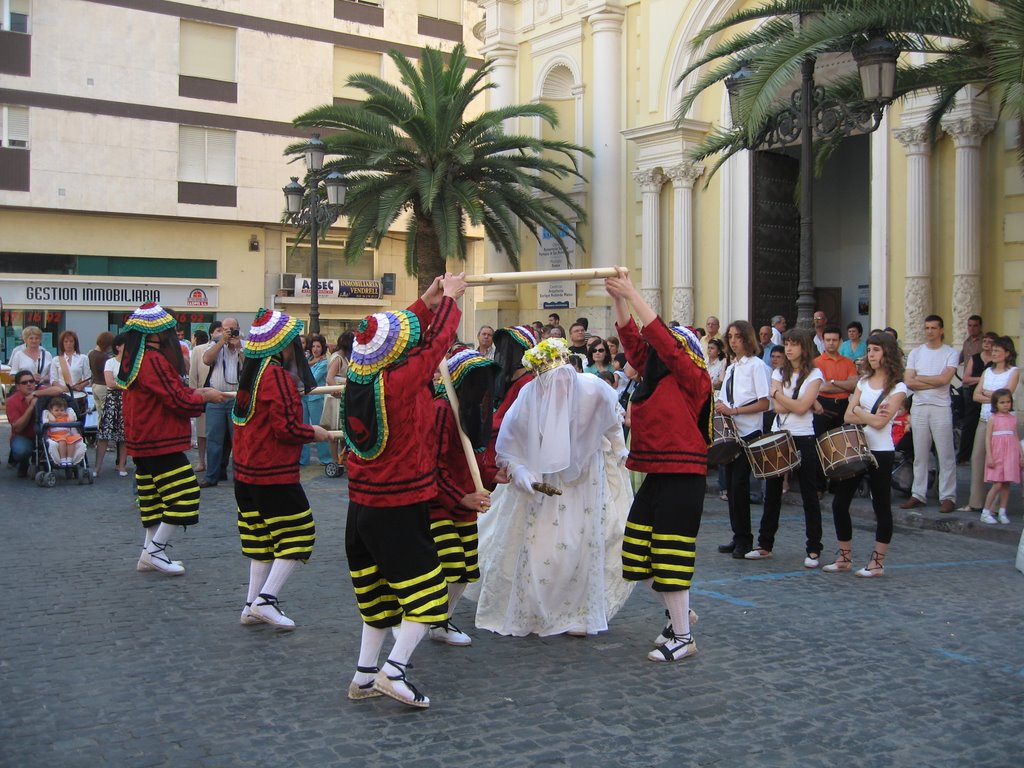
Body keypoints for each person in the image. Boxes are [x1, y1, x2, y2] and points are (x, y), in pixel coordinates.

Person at [342, 273, 465, 710]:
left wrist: (427, 301)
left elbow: (401, 340)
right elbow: (433, 348)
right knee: (429, 594)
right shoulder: (397, 383)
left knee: (376, 600)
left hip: (361, 510)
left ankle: (363, 674)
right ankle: (394, 672)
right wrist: (449, 301)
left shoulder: (361, 376)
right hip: (398, 506)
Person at [471, 337, 635, 639]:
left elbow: (613, 425)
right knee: (543, 545)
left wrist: (621, 453)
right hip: (542, 481)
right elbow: (509, 445)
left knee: (579, 542)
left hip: (586, 478)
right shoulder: (529, 398)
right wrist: (520, 473)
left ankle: (577, 611)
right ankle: (539, 608)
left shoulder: (594, 390)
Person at [605, 272, 712, 662]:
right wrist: (617, 298)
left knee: (671, 557)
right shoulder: (655, 369)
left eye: (663, 349)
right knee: (636, 552)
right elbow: (634, 340)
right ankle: (677, 613)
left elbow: (661, 340)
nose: (652, 353)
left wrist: (633, 292)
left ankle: (683, 637)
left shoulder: (692, 378)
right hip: (657, 474)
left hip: (684, 475)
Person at [232, 309, 330, 629]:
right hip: (272, 472)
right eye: (293, 342)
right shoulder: (276, 377)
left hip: (246, 473)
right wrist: (313, 433)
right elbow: (286, 428)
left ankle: (251, 604)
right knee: (298, 535)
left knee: (261, 541)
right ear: (281, 345)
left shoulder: (253, 372)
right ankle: (266, 600)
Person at [118, 302, 228, 576]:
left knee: (153, 499)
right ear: (154, 333)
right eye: (168, 328)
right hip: (159, 438)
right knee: (185, 495)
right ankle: (155, 550)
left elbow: (173, 390)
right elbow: (177, 398)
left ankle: (149, 553)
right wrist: (203, 398)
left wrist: (200, 394)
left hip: (144, 439)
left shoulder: (137, 358)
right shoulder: (152, 361)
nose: (173, 332)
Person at [427, 347, 500, 647]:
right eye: (475, 381)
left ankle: (441, 621)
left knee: (467, 570)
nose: (481, 387)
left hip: (464, 503)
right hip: (438, 504)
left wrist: (491, 478)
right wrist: (461, 497)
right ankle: (419, 617)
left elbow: (476, 458)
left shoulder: (474, 412)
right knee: (450, 565)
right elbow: (433, 466)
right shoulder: (442, 411)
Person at [824, 332, 908, 577]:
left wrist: (860, 411)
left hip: (881, 451)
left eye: (876, 350)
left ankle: (878, 562)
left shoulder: (898, 387)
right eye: (869, 350)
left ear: (887, 354)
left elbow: (882, 424)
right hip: (857, 447)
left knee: (881, 505)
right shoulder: (862, 382)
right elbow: (848, 416)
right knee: (840, 503)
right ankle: (844, 557)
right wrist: (866, 414)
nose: (870, 355)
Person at [745, 329, 824, 567]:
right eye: (787, 343)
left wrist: (779, 394)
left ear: (804, 347)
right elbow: (779, 409)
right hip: (780, 435)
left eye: (794, 344)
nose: (788, 349)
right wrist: (794, 402)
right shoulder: (779, 371)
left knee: (809, 494)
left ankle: (813, 548)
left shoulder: (815, 374)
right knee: (773, 491)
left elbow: (801, 408)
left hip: (804, 436)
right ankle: (765, 544)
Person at [716, 321, 770, 559]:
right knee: (730, 487)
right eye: (730, 337)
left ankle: (745, 540)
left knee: (740, 486)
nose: (734, 341)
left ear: (748, 339)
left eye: (738, 337)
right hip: (731, 432)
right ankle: (738, 535)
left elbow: (764, 402)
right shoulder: (732, 367)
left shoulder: (756, 366)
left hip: (748, 432)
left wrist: (734, 411)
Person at [902, 315, 959, 513]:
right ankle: (918, 493)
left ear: (941, 330)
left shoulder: (950, 352)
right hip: (919, 406)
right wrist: (932, 380)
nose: (930, 331)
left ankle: (948, 496)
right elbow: (909, 381)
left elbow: (944, 379)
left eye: (934, 328)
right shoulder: (916, 353)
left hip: (941, 407)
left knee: (945, 453)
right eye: (927, 328)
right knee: (920, 453)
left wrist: (921, 379)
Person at [962, 337, 1020, 516]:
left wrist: (988, 395)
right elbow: (975, 396)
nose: (993, 353)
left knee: (1001, 463)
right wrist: (995, 397)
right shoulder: (987, 372)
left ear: (1007, 353)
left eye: (997, 351)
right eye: (993, 350)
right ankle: (976, 502)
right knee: (978, 458)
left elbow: (1007, 396)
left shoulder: (1014, 372)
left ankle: (995, 507)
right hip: (985, 419)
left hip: (1004, 424)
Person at [813, 325, 859, 492]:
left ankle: (836, 483)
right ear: (823, 342)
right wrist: (842, 385)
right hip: (822, 405)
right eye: (828, 340)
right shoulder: (816, 363)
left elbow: (854, 384)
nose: (831, 343)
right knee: (820, 445)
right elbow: (821, 387)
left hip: (843, 406)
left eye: (834, 340)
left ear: (840, 342)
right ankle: (819, 486)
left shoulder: (848, 362)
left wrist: (832, 382)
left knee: (840, 446)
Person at [200, 317, 243, 487]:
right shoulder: (215, 344)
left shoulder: (244, 345)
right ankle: (212, 476)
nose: (230, 332)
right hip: (216, 397)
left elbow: (249, 368)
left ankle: (240, 476)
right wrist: (221, 342)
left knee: (238, 439)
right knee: (214, 439)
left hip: (237, 399)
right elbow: (206, 360)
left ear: (239, 328)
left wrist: (238, 347)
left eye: (233, 329)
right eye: (226, 329)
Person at [979, 389, 1023, 525]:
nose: (1005, 405)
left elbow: (1015, 436)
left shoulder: (1013, 418)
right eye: (1002, 402)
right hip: (997, 453)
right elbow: (988, 438)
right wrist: (990, 456)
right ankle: (986, 511)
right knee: (997, 483)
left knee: (1006, 483)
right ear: (995, 404)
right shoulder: (993, 418)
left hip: (1011, 454)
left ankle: (1002, 511)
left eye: (1008, 402)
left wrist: (1021, 455)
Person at [958, 331, 997, 466]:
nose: (986, 344)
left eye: (990, 342)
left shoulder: (996, 360)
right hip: (974, 395)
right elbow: (966, 378)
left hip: (990, 396)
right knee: (969, 425)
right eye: (984, 341)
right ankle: (963, 455)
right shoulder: (975, 358)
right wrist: (982, 379)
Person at [93, 334, 129, 477]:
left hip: (126, 400)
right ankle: (97, 467)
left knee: (124, 434)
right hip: (112, 400)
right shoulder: (110, 362)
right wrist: (126, 385)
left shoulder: (130, 363)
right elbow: (110, 383)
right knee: (104, 434)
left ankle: (121, 465)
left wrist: (122, 385)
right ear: (118, 347)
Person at [189, 325, 217, 475]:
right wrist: (194, 393)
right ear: (211, 333)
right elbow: (193, 372)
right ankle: (201, 461)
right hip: (203, 392)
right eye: (218, 330)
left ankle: (219, 462)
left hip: (222, 394)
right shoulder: (199, 350)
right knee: (202, 432)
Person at [41, 331, 91, 416]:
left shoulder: (83, 358)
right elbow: (53, 380)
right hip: (62, 396)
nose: (69, 344)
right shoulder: (56, 360)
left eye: (71, 341)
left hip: (78, 395)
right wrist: (63, 388)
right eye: (66, 341)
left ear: (75, 343)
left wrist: (81, 386)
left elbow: (88, 378)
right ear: (62, 343)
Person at [299, 334, 332, 466]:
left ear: (322, 348)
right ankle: (303, 458)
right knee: (303, 427)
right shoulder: (309, 359)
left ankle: (325, 458)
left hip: (315, 398)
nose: (315, 349)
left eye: (318, 346)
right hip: (303, 398)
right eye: (313, 346)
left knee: (319, 427)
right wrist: (311, 362)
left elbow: (311, 378)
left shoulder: (325, 362)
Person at [322, 331, 353, 465]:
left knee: (341, 432)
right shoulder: (338, 358)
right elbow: (330, 377)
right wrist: (336, 390)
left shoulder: (342, 358)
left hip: (340, 396)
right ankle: (335, 460)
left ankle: (341, 459)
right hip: (335, 398)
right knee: (335, 431)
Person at [6, 370, 38, 477]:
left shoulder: (40, 391)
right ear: (18, 387)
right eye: (24, 383)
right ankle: (23, 463)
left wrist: (36, 394)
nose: (29, 384)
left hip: (44, 435)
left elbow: (58, 390)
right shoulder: (11, 401)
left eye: (31, 381)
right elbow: (18, 428)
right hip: (23, 436)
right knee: (21, 451)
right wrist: (31, 407)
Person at [42, 397, 84, 468]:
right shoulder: (51, 418)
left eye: (61, 410)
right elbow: (53, 420)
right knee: (62, 441)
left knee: (72, 441)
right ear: (51, 411)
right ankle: (63, 458)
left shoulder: (66, 416)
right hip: (55, 436)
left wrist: (68, 411)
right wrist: (49, 412)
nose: (59, 412)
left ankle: (69, 459)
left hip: (66, 435)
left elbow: (72, 420)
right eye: (56, 410)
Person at [88, 331, 113, 427]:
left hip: (94, 385)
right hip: (103, 385)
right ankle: (106, 435)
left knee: (99, 413)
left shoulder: (91, 354)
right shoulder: (104, 357)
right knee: (106, 412)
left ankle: (100, 434)